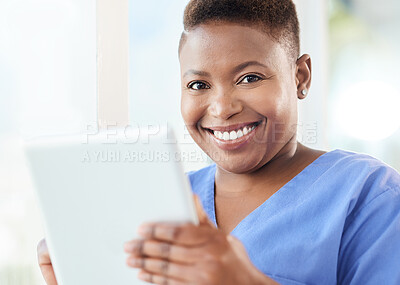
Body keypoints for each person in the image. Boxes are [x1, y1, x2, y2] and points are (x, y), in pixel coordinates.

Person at [37, 0, 400, 284]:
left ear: (301, 76)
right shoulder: (165, 201)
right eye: (198, 85)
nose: (222, 107)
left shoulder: (368, 195)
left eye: (249, 78)